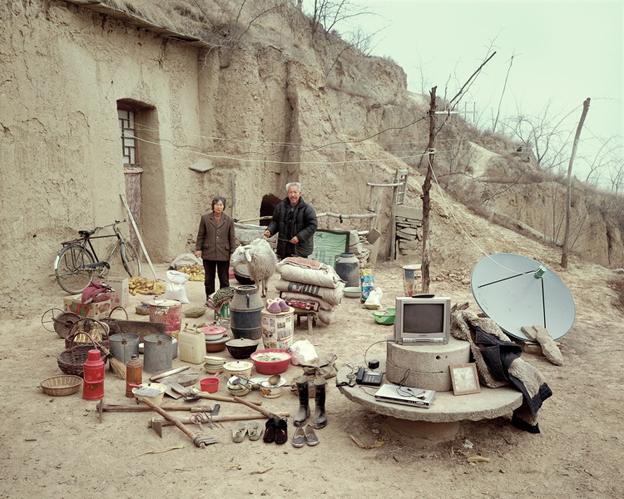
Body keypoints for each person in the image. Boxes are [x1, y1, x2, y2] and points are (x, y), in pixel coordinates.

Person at [194, 196, 236, 303]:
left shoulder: (229, 220)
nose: (218, 207)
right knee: (209, 279)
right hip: (209, 253)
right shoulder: (205, 218)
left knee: (224, 279)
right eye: (216, 204)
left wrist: (232, 252)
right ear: (213, 206)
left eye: (221, 205)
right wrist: (198, 248)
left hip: (223, 253)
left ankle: (224, 301)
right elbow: (201, 235)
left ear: (224, 207)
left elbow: (232, 238)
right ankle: (210, 300)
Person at [264, 182, 317, 259]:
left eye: (295, 192)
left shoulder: (307, 209)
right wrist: (270, 230)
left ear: (300, 193)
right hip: (283, 250)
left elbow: (312, 225)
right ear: (287, 194)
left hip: (299, 251)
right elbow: (275, 221)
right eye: (290, 192)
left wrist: (299, 237)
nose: (292, 195)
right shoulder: (280, 207)